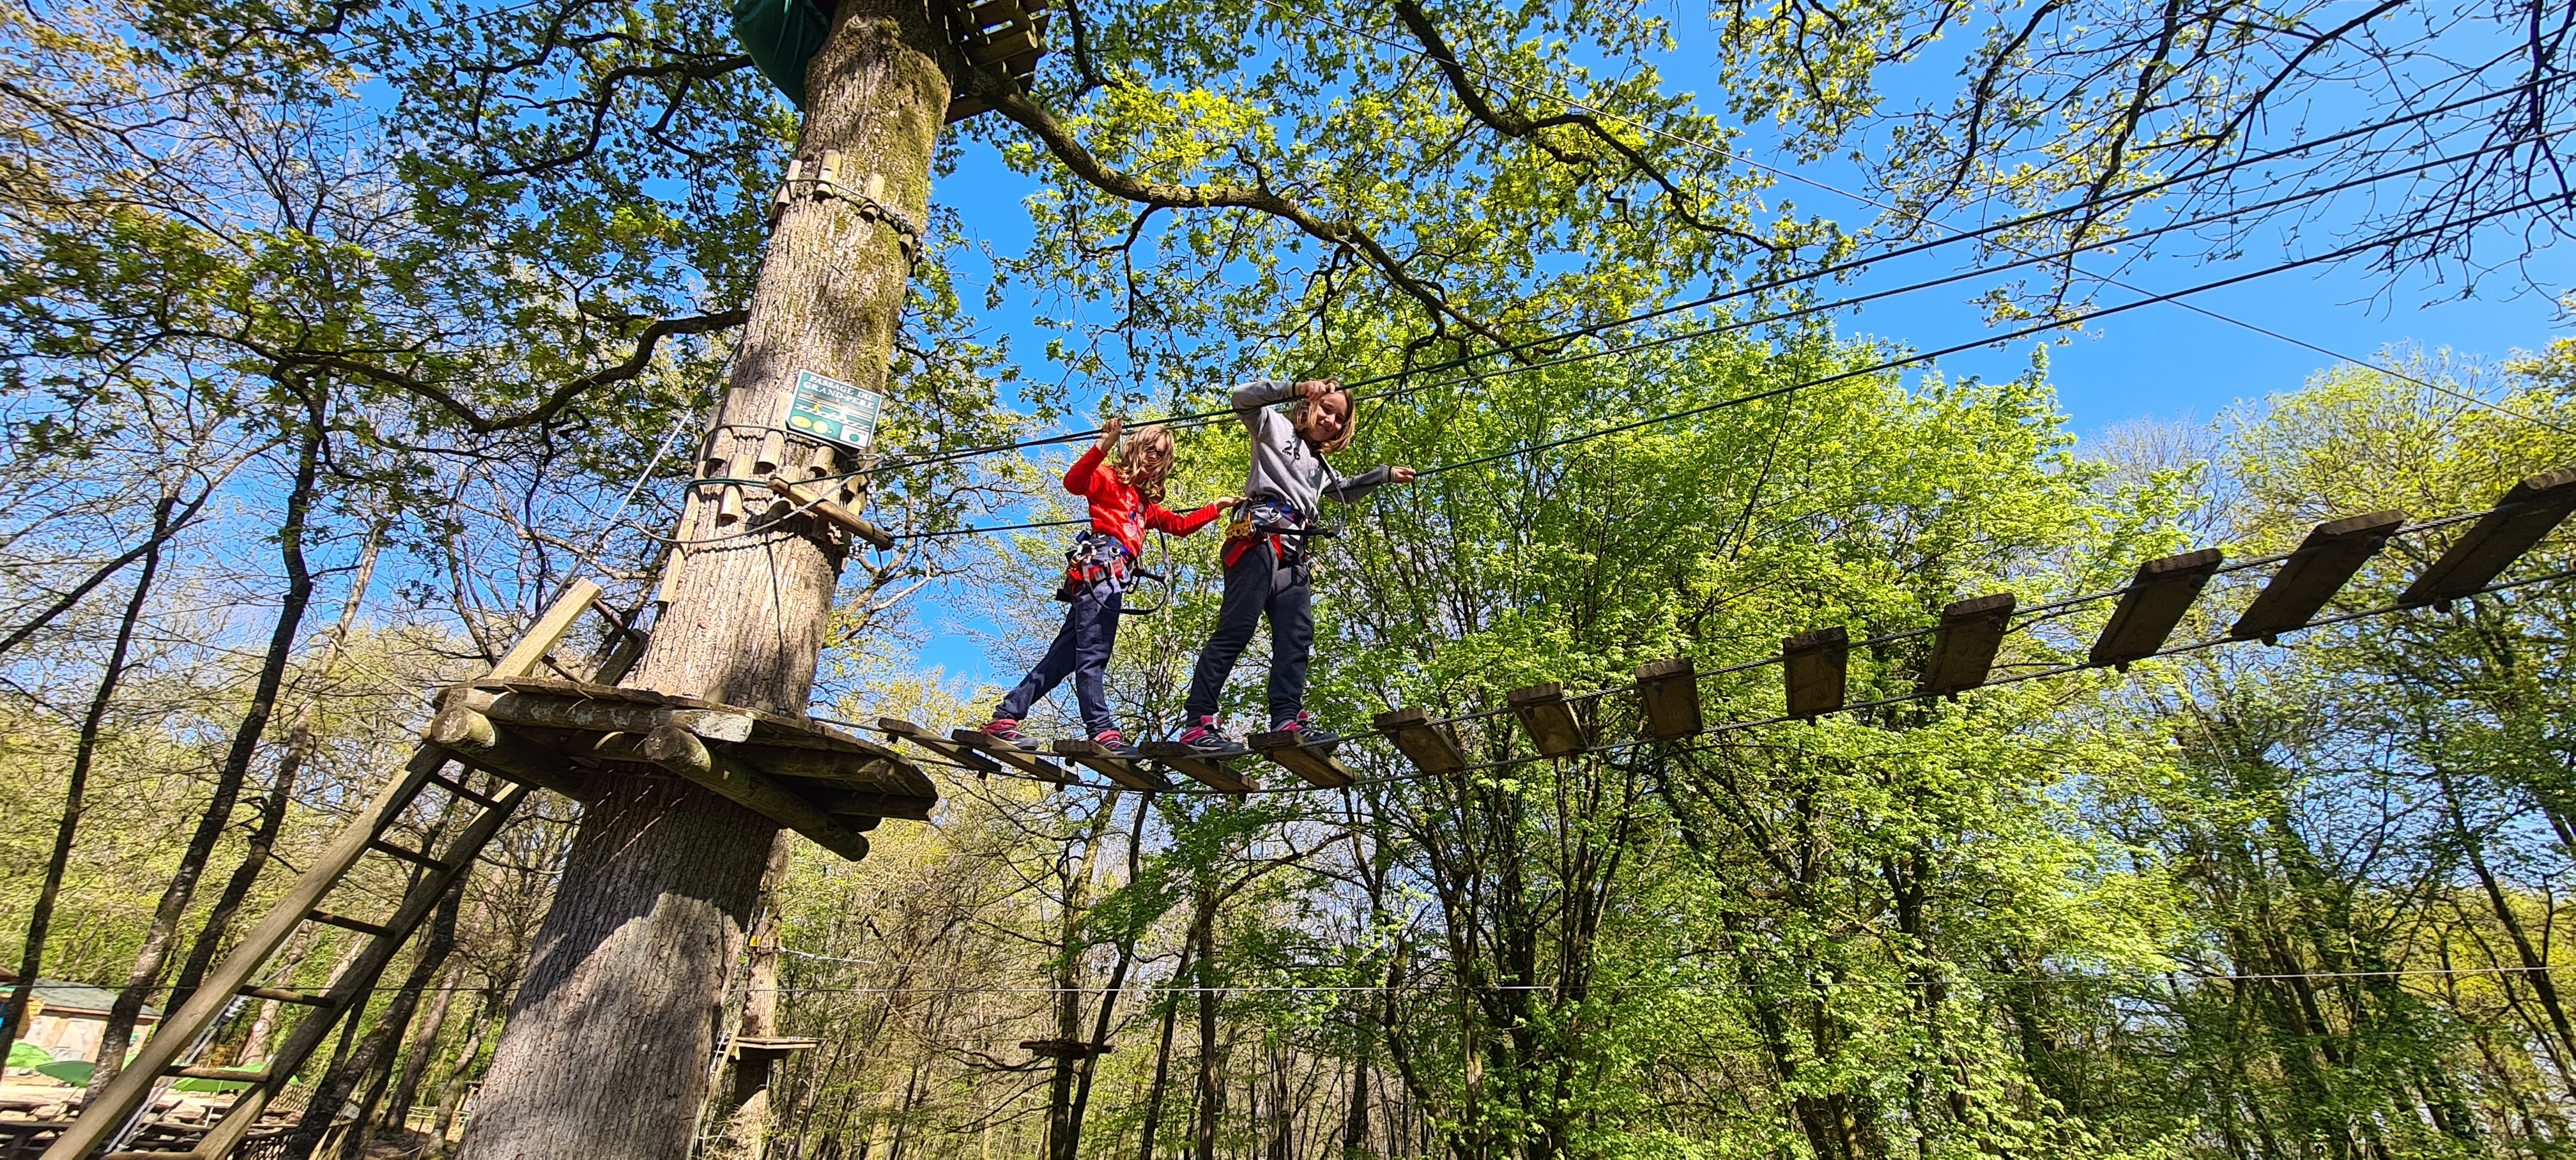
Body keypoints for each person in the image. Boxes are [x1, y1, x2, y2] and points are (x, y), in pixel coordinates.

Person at [1174, 378, 1416, 756]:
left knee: (1297, 637)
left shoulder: (1321, 465)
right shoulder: (1275, 427)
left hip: (1294, 553)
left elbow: (1344, 491)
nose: (1331, 421)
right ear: (1309, 404)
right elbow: (1242, 399)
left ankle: (1286, 718)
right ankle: (1198, 721)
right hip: (1259, 539)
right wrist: (1295, 388)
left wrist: (1382, 475)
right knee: (1236, 630)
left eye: (1340, 419)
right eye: (1327, 409)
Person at [984, 418, 1239, 755]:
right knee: (1094, 654)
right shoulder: (1108, 479)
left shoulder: (1142, 504)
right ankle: (1101, 730)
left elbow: (1178, 525)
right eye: (1150, 449)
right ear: (1135, 448)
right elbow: (1075, 482)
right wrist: (1104, 445)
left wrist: (1214, 509)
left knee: (1063, 659)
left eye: (1161, 456)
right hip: (1100, 571)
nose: (1154, 459)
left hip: (1111, 578)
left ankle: (1006, 717)